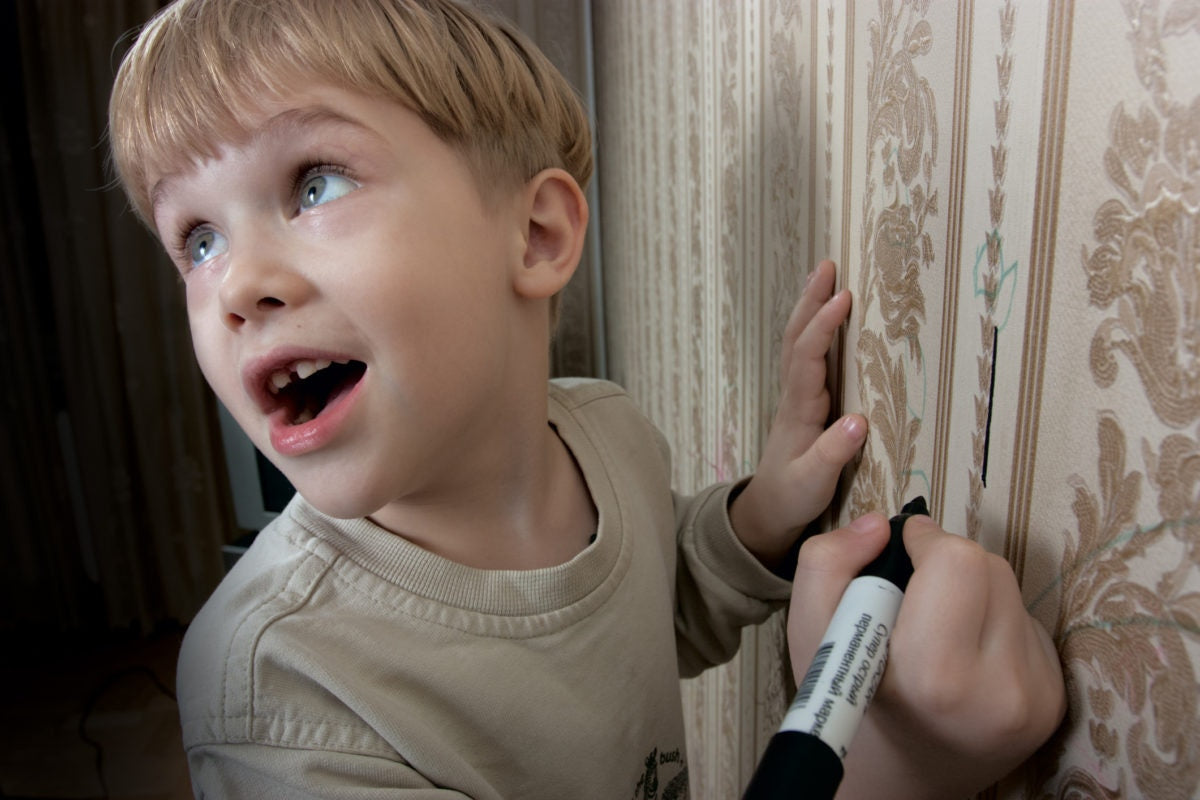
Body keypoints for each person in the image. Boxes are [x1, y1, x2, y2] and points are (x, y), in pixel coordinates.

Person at [107, 0, 1065, 797]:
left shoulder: (605, 430)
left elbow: (654, 607)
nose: (235, 287)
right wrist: (893, 770)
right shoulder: (279, 686)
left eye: (313, 183)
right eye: (194, 241)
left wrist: (767, 507)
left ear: (534, 235)